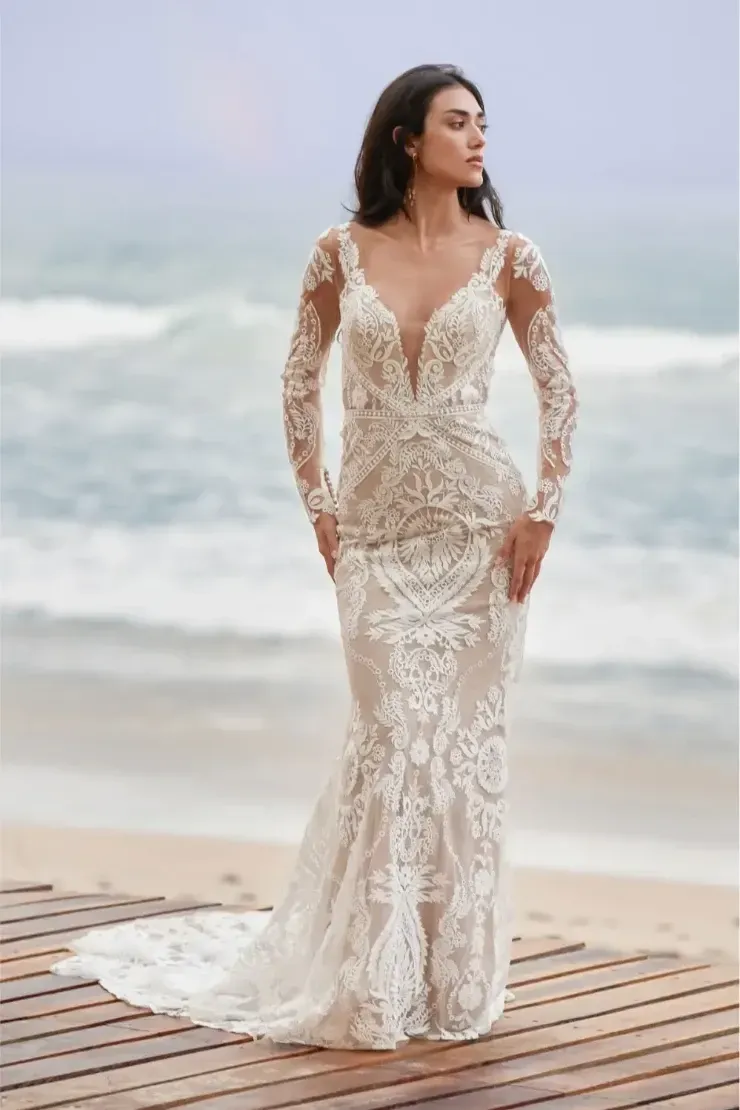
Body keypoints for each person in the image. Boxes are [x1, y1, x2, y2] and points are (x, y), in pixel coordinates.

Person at [50, 63, 578, 1051]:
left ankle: (446, 983)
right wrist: (317, 506)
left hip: (477, 535)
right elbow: (298, 380)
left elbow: (559, 389)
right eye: (456, 123)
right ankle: (371, 987)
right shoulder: (338, 253)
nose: (476, 140)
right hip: (375, 538)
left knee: (460, 758)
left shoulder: (511, 255)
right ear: (403, 140)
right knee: (389, 741)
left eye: (481, 125)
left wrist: (542, 510)